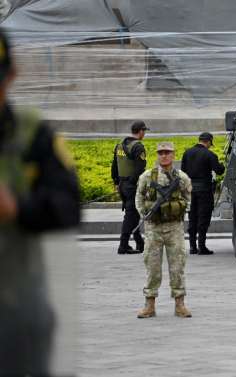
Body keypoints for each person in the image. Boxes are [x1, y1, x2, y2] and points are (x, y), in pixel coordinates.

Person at [0, 28, 80, 375]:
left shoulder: (32, 134)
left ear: (12, 74)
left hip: (16, 313)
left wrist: (18, 209)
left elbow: (68, 204)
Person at [135, 142, 192, 318]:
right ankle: (149, 304)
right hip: (153, 228)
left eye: (167, 152)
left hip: (174, 227)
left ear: (173, 155)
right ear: (157, 155)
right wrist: (147, 213)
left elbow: (188, 198)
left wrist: (175, 209)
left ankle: (180, 304)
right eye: (161, 153)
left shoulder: (181, 177)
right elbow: (138, 197)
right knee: (152, 267)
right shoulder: (147, 176)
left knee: (177, 266)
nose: (164, 156)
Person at [181, 132, 225, 255]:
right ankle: (202, 247)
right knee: (203, 218)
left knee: (192, 218)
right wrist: (221, 165)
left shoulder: (187, 153)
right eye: (211, 143)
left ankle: (192, 247)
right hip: (204, 190)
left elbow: (183, 172)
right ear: (208, 141)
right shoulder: (210, 154)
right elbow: (219, 171)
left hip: (190, 190)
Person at [111, 121, 148, 254]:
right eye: (144, 131)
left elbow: (114, 166)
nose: (144, 134)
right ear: (141, 131)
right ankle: (123, 245)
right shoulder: (138, 147)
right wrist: (133, 182)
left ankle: (139, 242)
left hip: (122, 185)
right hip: (131, 186)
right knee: (130, 215)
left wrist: (116, 181)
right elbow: (140, 168)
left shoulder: (120, 145)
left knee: (133, 213)